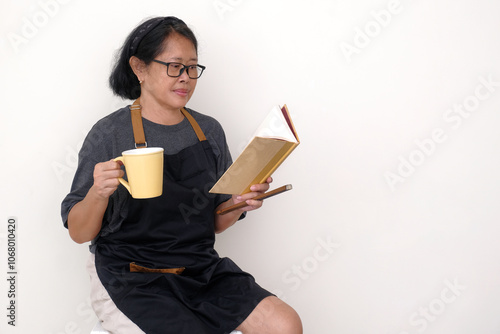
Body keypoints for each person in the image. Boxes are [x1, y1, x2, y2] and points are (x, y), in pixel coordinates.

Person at [61, 16, 302, 334]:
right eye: (175, 66)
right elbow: (78, 232)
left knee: (285, 324)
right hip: (131, 274)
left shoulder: (208, 131)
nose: (186, 78)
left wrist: (239, 203)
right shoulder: (109, 134)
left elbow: (214, 221)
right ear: (140, 68)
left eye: (192, 68)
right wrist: (97, 193)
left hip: (199, 269)